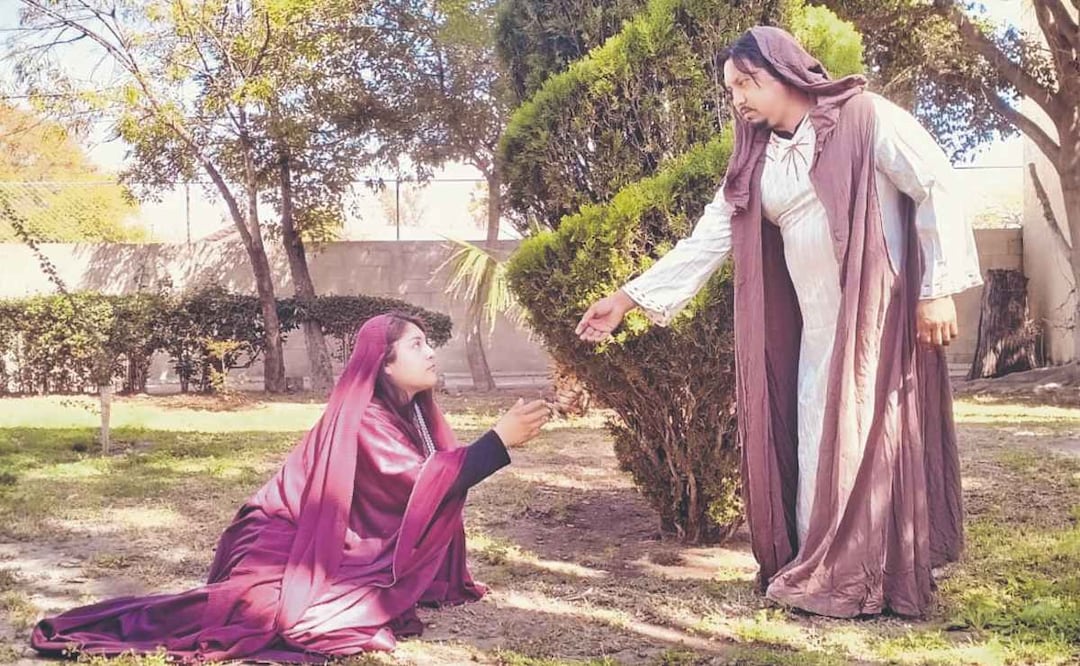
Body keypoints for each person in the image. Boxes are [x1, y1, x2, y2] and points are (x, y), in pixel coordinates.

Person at [576, 26, 981, 618]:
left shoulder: (866, 117)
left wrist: (938, 288)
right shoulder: (755, 157)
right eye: (730, 88)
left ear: (787, 72)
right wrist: (627, 299)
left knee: (869, 439)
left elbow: (936, 185)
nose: (737, 97)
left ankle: (869, 574)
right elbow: (708, 239)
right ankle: (822, 565)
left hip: (876, 317)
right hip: (815, 327)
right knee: (818, 436)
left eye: (747, 82)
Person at [31, 312, 551, 662]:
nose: (432, 353)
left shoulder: (411, 412)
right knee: (266, 611)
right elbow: (421, 483)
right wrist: (498, 441)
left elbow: (431, 481)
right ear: (384, 363)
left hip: (328, 534)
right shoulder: (367, 416)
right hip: (283, 536)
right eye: (417, 345)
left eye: (428, 343)